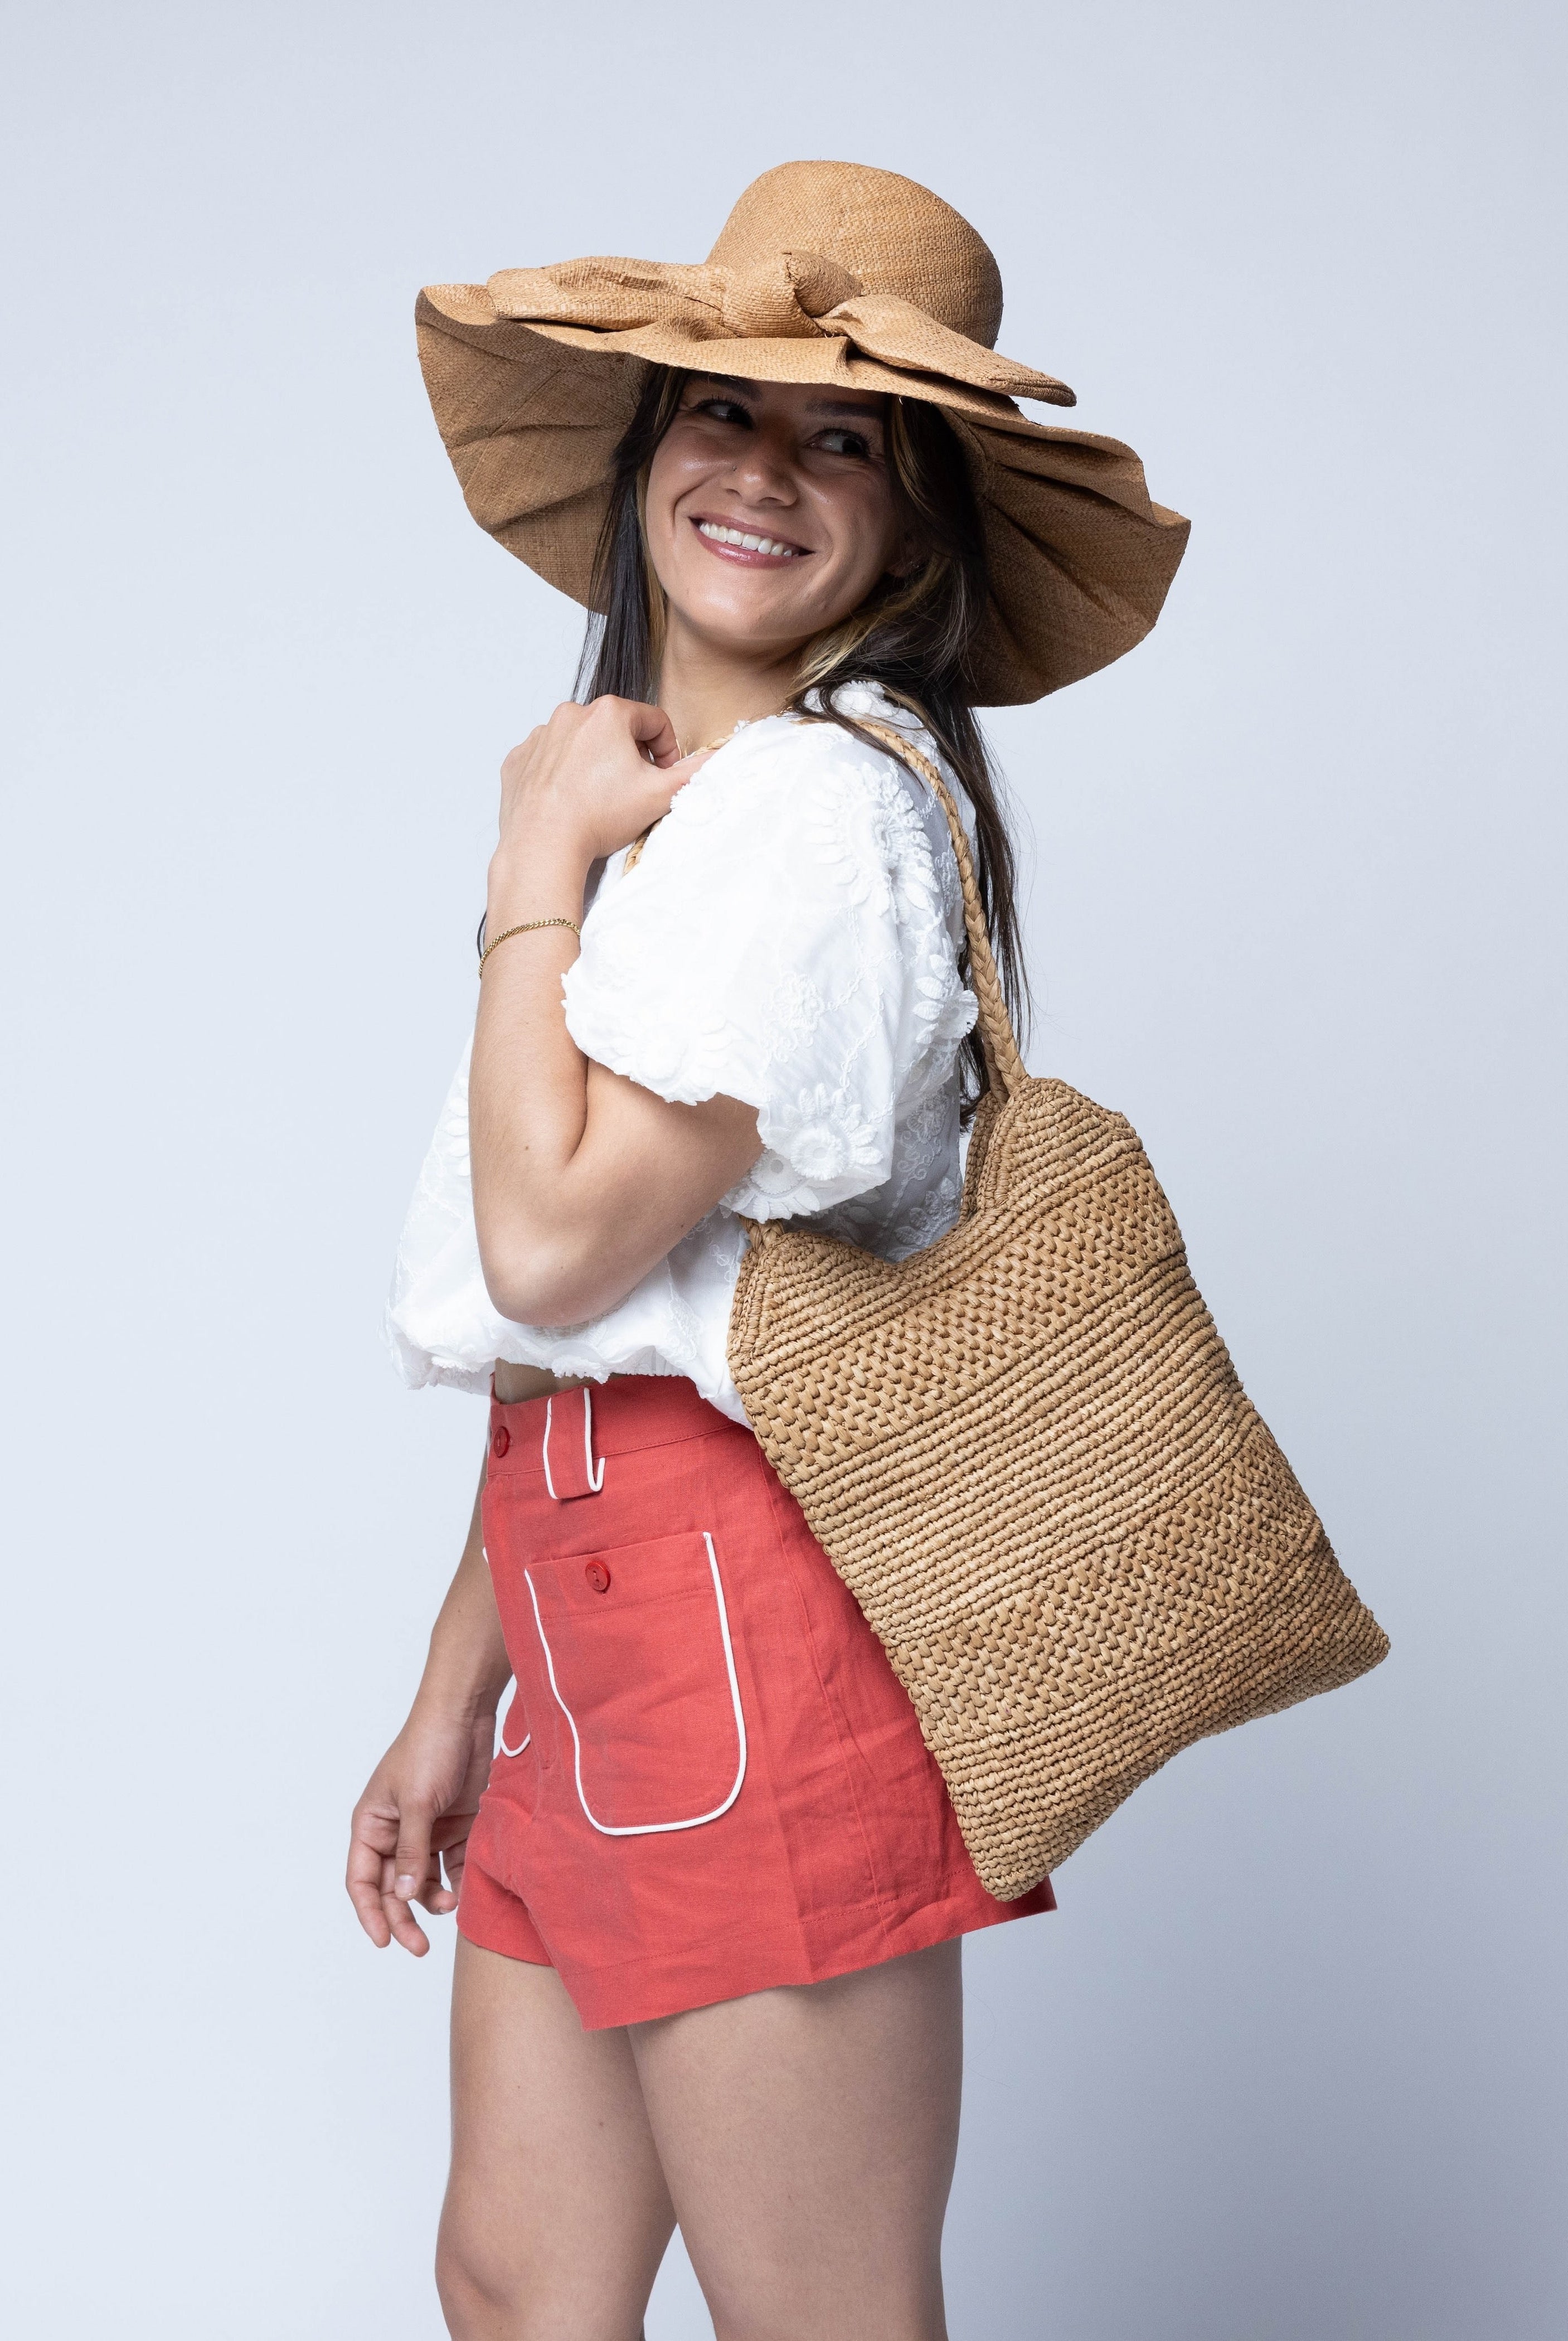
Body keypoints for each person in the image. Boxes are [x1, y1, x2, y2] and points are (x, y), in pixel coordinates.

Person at [348, 161, 1187, 2341]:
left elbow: (550, 1249)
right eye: (721, 410)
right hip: (591, 1603)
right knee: (516, 2286)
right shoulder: (692, 825)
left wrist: (530, 857)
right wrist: (457, 1694)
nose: (763, 472)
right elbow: (600, 1334)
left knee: (815, 2313)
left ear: (912, 531)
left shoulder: (812, 813)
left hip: (743, 1611)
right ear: (648, 448)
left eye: (846, 440)